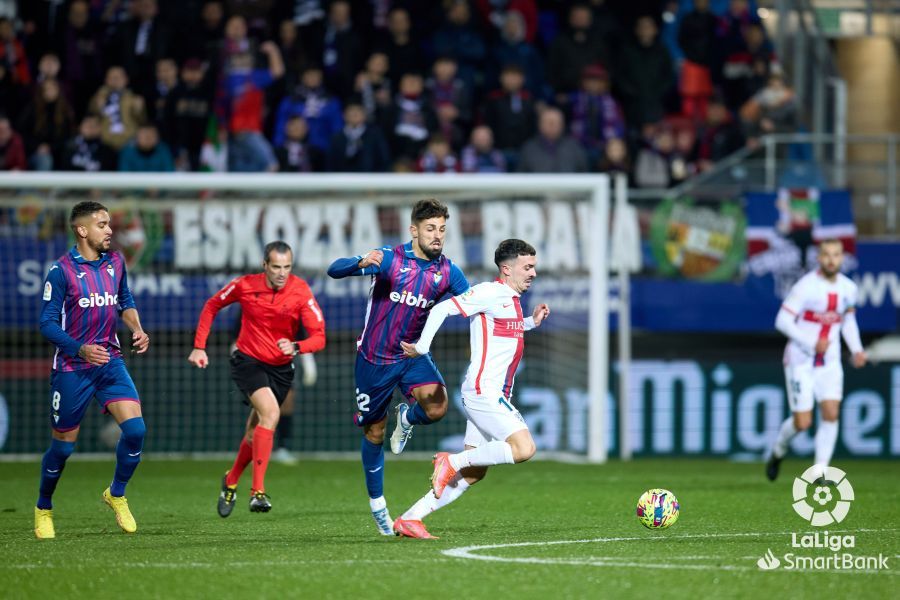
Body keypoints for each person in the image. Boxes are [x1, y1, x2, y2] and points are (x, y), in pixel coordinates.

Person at [326, 199, 469, 536]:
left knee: (437, 406)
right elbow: (334, 269)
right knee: (374, 432)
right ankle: (377, 504)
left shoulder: (447, 271)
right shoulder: (389, 259)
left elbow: (474, 301)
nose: (437, 236)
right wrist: (359, 261)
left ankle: (406, 418)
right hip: (374, 360)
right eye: (431, 229)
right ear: (414, 230)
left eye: (442, 230)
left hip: (411, 356)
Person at [393, 239, 550, 539]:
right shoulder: (489, 292)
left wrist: (530, 322)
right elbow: (441, 310)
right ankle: (449, 461)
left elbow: (505, 329)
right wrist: (422, 347)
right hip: (484, 392)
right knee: (524, 448)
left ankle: (411, 518)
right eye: (527, 267)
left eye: (534, 267)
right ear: (506, 269)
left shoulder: (509, 300)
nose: (533, 273)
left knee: (475, 472)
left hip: (491, 394)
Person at [35, 201, 151, 539]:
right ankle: (43, 507)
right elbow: (46, 323)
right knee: (63, 448)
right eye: (102, 224)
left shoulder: (115, 262)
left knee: (136, 431)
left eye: (109, 224)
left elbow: (124, 301)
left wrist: (137, 328)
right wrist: (80, 348)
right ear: (82, 230)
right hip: (73, 367)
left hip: (110, 361)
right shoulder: (61, 272)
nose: (110, 230)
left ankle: (116, 493)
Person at [188, 241, 325, 515]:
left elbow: (319, 337)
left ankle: (230, 480)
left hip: (282, 368)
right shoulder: (245, 285)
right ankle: (257, 492)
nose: (282, 273)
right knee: (271, 413)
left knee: (255, 431)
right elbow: (212, 305)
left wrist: (297, 347)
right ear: (265, 265)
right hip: (248, 361)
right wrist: (199, 346)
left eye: (287, 267)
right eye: (276, 266)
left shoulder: (300, 290)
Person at [765, 239, 867, 483]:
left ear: (842, 258)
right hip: (801, 360)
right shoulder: (806, 287)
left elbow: (848, 322)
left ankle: (820, 473)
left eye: (836, 255)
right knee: (803, 422)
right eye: (827, 255)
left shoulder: (848, 288)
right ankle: (778, 451)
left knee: (831, 413)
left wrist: (857, 349)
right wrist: (810, 343)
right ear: (819, 258)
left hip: (830, 362)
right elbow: (782, 320)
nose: (832, 259)